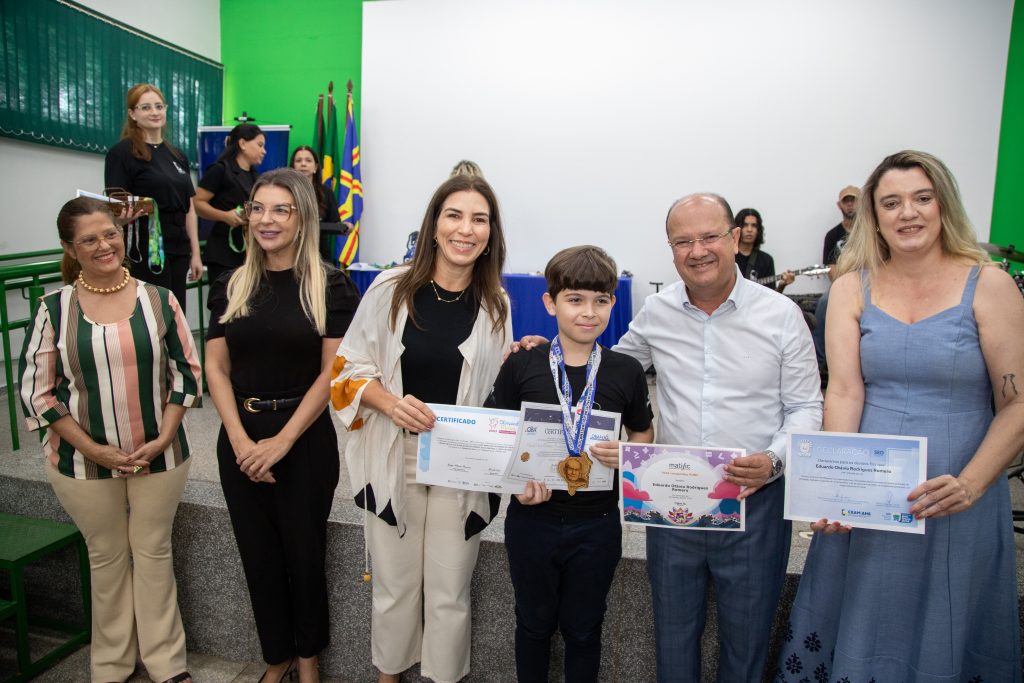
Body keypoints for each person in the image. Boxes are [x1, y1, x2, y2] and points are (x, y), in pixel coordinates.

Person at [778, 150, 1024, 682]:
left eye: (921, 198)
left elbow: (1018, 403)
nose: (907, 212)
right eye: (891, 202)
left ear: (943, 205)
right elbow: (843, 391)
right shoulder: (850, 288)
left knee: (947, 616)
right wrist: (834, 491)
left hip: (958, 494)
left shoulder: (990, 285)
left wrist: (972, 484)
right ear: (874, 214)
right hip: (872, 497)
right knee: (866, 612)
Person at [618, 193, 820, 681]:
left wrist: (773, 461)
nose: (697, 250)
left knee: (747, 644)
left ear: (734, 239)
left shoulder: (780, 315)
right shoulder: (656, 313)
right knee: (672, 636)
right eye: (682, 241)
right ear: (670, 250)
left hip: (755, 500)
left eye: (709, 236)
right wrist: (545, 351)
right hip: (674, 504)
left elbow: (806, 407)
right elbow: (612, 374)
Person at [330, 174, 512, 683]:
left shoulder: (496, 305)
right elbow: (345, 370)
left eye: (479, 219)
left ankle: (443, 677)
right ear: (433, 225)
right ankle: (389, 673)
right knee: (394, 585)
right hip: (395, 458)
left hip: (461, 469)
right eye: (454, 215)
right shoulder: (391, 290)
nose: (466, 229)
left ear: (490, 233)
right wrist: (389, 403)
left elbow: (497, 392)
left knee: (451, 592)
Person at [20, 197, 201, 683]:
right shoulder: (53, 308)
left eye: (110, 234)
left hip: (159, 455)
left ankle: (166, 663)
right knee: (106, 557)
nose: (104, 245)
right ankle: (112, 665)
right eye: (89, 239)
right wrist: (93, 448)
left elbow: (187, 374)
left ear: (122, 233)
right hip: (81, 463)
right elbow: (36, 393)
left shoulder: (160, 299)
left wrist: (164, 436)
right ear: (69, 248)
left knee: (153, 550)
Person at [205, 168, 360, 683]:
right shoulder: (230, 281)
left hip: (304, 439)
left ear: (303, 217)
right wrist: (241, 440)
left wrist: (283, 441)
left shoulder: (331, 285)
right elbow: (216, 368)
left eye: (280, 210)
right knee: (259, 558)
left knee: (304, 553)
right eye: (257, 208)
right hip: (241, 437)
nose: (265, 220)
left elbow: (331, 374)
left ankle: (309, 658)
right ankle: (278, 657)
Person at [485, 245, 654, 682]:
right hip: (532, 520)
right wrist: (514, 481)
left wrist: (629, 456)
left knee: (584, 629)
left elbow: (642, 431)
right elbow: (497, 437)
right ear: (551, 302)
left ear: (613, 303)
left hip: (596, 525)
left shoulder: (625, 371)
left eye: (601, 301)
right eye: (575, 299)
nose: (589, 312)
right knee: (533, 625)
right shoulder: (523, 364)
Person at [105, 83, 202, 311]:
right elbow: (115, 206)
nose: (154, 112)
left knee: (176, 313)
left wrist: (195, 253)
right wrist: (121, 218)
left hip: (179, 248)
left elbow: (189, 207)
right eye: (146, 107)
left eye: (159, 106)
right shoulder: (121, 153)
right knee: (152, 314)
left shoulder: (178, 155)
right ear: (133, 114)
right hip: (145, 250)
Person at [195, 123, 265, 286]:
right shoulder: (220, 170)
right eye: (260, 145)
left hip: (249, 251)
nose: (264, 151)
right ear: (242, 144)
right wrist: (225, 216)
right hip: (223, 253)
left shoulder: (256, 176)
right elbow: (197, 203)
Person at [812, 185, 861, 385]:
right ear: (839, 205)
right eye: (846, 201)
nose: (850, 205)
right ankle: (820, 363)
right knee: (824, 303)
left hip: (869, 282)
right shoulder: (832, 235)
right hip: (842, 283)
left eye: (854, 200)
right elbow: (831, 269)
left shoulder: (871, 231)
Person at [290, 145, 341, 262]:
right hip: (291, 251)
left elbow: (335, 222)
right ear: (292, 167)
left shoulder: (326, 192)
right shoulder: (285, 192)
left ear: (316, 167)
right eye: (298, 161)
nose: (303, 164)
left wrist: (345, 226)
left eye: (308, 160)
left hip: (320, 252)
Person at [734, 207, 794, 291]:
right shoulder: (728, 256)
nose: (749, 230)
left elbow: (770, 298)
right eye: (745, 225)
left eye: (754, 226)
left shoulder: (766, 260)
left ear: (758, 230)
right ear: (737, 229)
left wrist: (782, 285)